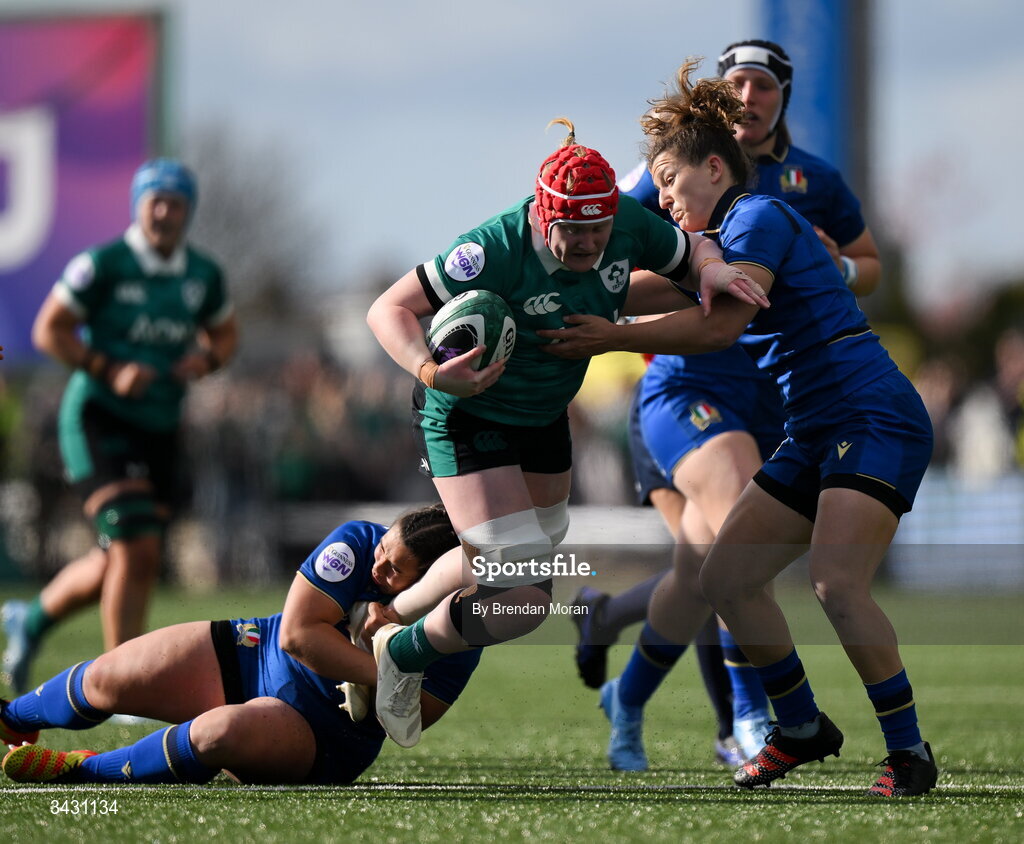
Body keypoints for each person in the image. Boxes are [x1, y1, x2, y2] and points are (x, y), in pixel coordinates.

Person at [539, 61, 938, 797]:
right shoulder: (722, 235)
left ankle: (909, 753)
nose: (660, 196)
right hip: (818, 427)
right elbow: (664, 282)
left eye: (669, 179)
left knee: (835, 584)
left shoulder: (753, 217)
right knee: (724, 576)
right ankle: (798, 726)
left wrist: (607, 334)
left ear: (715, 167)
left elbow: (720, 327)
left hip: (871, 414)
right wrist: (567, 283)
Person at [364, 118, 769, 748]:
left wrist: (712, 270)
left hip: (545, 419)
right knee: (522, 598)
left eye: (597, 230)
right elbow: (386, 307)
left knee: (505, 566)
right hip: (468, 415)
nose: (586, 244)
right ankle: (405, 652)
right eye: (571, 231)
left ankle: (391, 616)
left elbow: (694, 254)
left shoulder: (628, 227)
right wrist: (430, 371)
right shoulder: (493, 247)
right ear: (542, 216)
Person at [0, 504, 479, 785]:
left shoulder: (458, 628)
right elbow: (296, 635)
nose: (377, 569)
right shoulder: (356, 541)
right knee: (106, 677)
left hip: (323, 734)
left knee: (219, 733)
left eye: (395, 571)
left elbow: (413, 716)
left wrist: (391, 647)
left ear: (432, 581)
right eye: (382, 552)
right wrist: (382, 666)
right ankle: (11, 716)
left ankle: (82, 771)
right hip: (256, 648)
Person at [2, 159, 238, 695]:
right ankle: (120, 680)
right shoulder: (103, 264)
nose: (163, 211)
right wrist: (108, 369)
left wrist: (204, 361)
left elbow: (225, 335)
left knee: (122, 554)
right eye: (154, 200)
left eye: (174, 202)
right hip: (98, 419)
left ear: (188, 211)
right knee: (135, 548)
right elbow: (49, 331)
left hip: (160, 427)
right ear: (137, 205)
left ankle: (29, 621)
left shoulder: (202, 275)